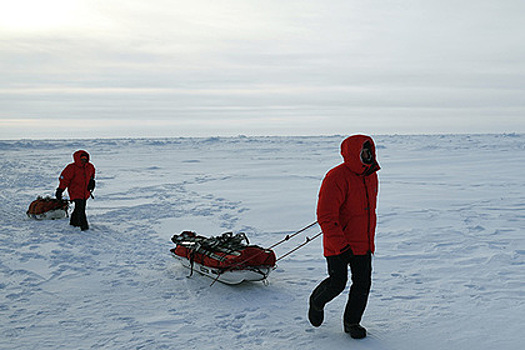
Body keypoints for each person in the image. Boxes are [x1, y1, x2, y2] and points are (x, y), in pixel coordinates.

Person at [308, 134, 380, 339]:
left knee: (363, 284)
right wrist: (341, 246)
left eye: (369, 152)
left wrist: (368, 242)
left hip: (364, 243)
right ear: (352, 154)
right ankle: (317, 301)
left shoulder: (371, 175)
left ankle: (352, 322)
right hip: (338, 243)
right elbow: (326, 216)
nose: (367, 156)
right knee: (338, 282)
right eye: (363, 152)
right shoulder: (336, 177)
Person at [55, 150, 96, 231]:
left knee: (79, 207)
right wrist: (60, 190)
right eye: (82, 159)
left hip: (85, 192)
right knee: (80, 208)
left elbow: (92, 175)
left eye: (85, 159)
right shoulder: (71, 168)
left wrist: (92, 182)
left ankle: (74, 222)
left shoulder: (90, 167)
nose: (83, 161)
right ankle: (84, 226)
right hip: (75, 191)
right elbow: (64, 180)